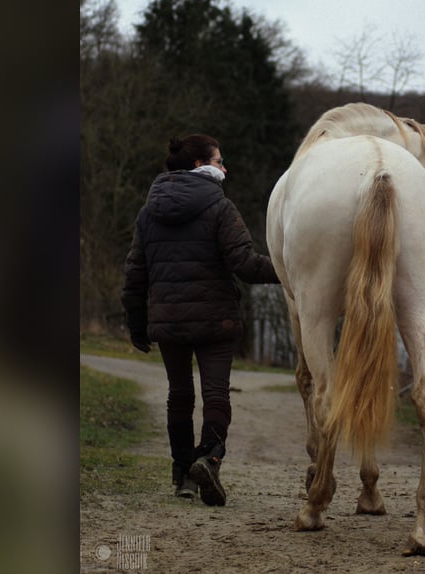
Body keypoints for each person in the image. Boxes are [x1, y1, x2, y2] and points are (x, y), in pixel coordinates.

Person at [121, 134, 280, 506]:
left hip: (168, 319)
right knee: (215, 394)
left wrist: (136, 324)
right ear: (200, 166)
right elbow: (246, 265)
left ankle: (182, 476)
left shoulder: (149, 212)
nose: (225, 169)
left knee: (179, 395)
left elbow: (134, 274)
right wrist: (293, 271)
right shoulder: (220, 208)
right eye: (220, 161)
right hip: (215, 319)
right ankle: (209, 459)